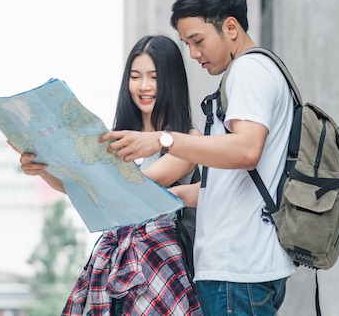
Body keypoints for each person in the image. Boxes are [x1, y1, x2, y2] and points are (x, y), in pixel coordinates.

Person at [99, 0, 297, 316]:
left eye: (198, 40)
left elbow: (247, 151)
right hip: (237, 271)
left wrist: (164, 140)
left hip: (237, 271)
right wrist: (180, 196)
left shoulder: (249, 70)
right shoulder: (252, 72)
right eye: (187, 43)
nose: (193, 54)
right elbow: (240, 180)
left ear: (230, 27)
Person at [13, 34, 202, 315]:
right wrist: (41, 167)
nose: (144, 86)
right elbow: (81, 187)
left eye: (154, 77)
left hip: (159, 264)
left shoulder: (187, 139)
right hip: (113, 263)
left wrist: (87, 168)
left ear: (171, 81)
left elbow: (137, 186)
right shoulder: (116, 141)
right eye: (136, 76)